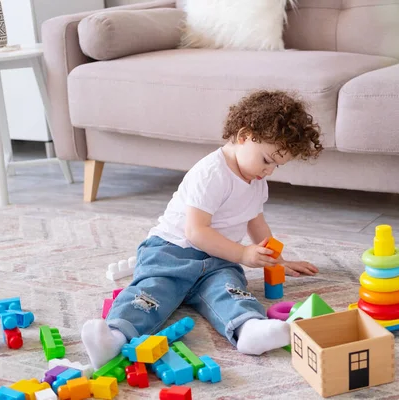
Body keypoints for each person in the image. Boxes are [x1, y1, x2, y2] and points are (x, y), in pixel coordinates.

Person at [81, 90, 324, 369]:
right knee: (151, 293)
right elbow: (196, 231)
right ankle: (113, 337)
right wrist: (243, 254)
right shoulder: (211, 173)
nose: (268, 171)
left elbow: (256, 222)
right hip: (173, 252)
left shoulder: (257, 181)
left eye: (277, 166)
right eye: (267, 160)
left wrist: (277, 260)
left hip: (219, 259)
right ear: (244, 136)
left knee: (231, 290)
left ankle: (248, 329)